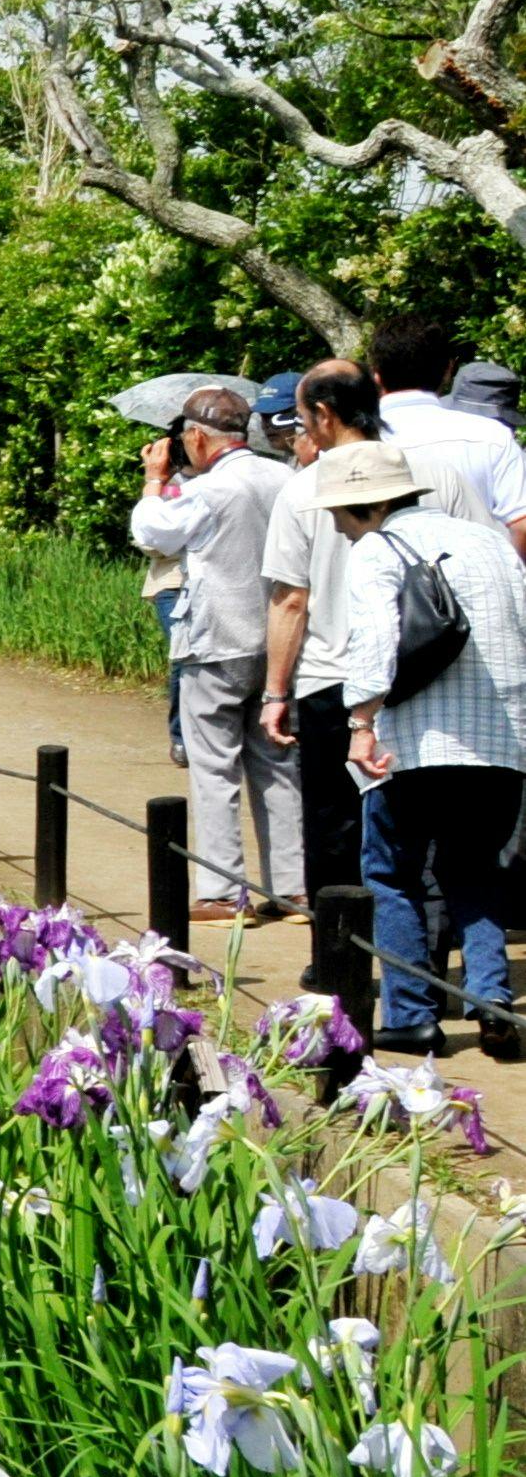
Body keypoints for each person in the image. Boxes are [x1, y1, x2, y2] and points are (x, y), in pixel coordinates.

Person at [326, 436, 526, 1058]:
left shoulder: (378, 549)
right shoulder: (491, 540)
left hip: (414, 743)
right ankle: (492, 1002)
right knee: (475, 871)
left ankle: (412, 1014)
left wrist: (361, 723)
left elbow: (376, 639)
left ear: (363, 506)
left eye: (337, 512)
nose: (335, 524)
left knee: (392, 873)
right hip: (503, 739)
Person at [131, 382, 300, 921]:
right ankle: (292, 888)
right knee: (277, 763)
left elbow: (151, 532)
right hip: (279, 640)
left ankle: (224, 891)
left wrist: (155, 481)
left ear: (198, 437)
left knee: (213, 767)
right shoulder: (286, 477)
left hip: (217, 639)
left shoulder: (209, 491)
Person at [260, 366, 372, 996]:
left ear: (324, 415)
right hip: (416, 675)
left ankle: (333, 960)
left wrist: (276, 692)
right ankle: (428, 973)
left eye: (302, 422)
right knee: (414, 831)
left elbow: (291, 600)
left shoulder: (304, 489)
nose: (301, 434)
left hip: (331, 677)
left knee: (332, 828)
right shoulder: (419, 472)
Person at [367, 318, 526, 554]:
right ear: (448, 371)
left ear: (375, 375)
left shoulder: (359, 439)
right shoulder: (492, 436)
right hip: (478, 581)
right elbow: (521, 526)